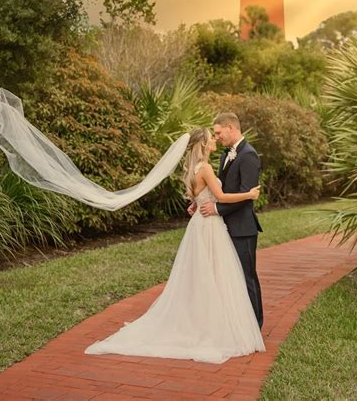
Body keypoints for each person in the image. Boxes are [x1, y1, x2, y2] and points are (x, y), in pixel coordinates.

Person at [85, 127, 265, 363]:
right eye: (211, 139)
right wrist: (249, 195)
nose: (214, 140)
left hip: (200, 225)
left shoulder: (193, 169)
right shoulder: (207, 168)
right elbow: (220, 197)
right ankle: (216, 327)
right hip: (209, 226)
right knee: (215, 276)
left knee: (204, 277)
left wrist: (197, 203)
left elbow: (199, 197)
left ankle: (209, 322)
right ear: (203, 145)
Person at [198, 113, 264, 328]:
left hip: (242, 228)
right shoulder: (227, 154)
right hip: (225, 227)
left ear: (231, 128)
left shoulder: (249, 155)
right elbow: (222, 189)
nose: (216, 137)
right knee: (229, 277)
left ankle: (255, 325)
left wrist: (217, 208)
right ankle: (236, 322)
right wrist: (201, 201)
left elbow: (246, 195)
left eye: (218, 132)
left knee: (247, 277)